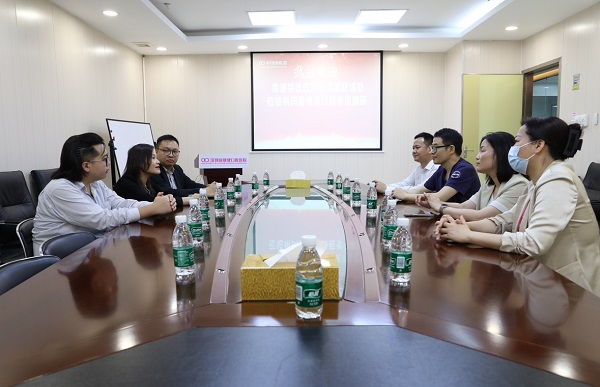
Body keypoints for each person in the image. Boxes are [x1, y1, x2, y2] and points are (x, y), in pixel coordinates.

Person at [437, 117, 600, 295]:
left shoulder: (559, 180)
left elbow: (533, 242)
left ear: (538, 145)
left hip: (572, 289)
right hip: (543, 280)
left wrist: (468, 236)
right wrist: (459, 227)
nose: (512, 149)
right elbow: (505, 220)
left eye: (517, 141)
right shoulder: (536, 182)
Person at [33, 133, 176, 253]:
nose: (109, 164)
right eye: (105, 159)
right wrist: (151, 209)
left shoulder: (95, 183)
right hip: (59, 261)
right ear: (87, 166)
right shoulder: (60, 189)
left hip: (90, 249)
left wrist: (156, 204)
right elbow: (102, 219)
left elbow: (121, 203)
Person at [416, 132, 528, 221]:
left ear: (500, 153)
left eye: (482, 151)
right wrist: (433, 203)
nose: (477, 156)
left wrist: (440, 207)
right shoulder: (489, 185)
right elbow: (464, 207)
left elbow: (480, 216)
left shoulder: (518, 184)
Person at [392, 128, 481, 203]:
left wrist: (405, 196)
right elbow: (420, 190)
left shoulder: (464, 169)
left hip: (464, 220)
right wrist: (398, 192)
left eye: (435, 147)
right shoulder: (442, 169)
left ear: (451, 149)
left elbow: (439, 197)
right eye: (431, 148)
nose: (431, 152)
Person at [114, 144, 197, 207]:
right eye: (153, 158)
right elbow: (154, 203)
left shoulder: (148, 181)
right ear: (140, 161)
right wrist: (191, 199)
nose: (158, 162)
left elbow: (162, 198)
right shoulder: (126, 183)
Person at [150, 134, 216, 199]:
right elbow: (169, 192)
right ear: (156, 151)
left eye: (175, 151)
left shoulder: (177, 168)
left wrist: (208, 187)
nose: (171, 155)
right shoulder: (154, 170)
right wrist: (204, 191)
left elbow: (191, 185)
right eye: (166, 151)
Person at [373, 132, 439, 193]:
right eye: (413, 148)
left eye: (417, 148)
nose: (414, 151)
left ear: (430, 149)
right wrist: (385, 187)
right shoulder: (419, 168)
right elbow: (405, 183)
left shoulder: (436, 168)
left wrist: (387, 189)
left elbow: (419, 190)